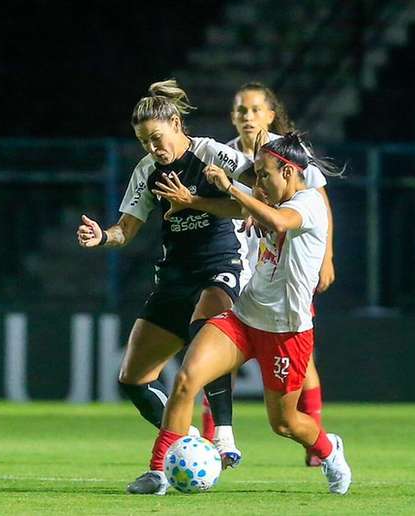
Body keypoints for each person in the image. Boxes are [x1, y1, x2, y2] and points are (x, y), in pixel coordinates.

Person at [126, 132, 352, 496]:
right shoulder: (270, 197)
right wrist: (197, 201)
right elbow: (239, 210)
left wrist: (231, 187)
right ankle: (158, 472)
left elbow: (279, 222)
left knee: (285, 423)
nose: (259, 181)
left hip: (286, 330)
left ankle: (329, 449)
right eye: (257, 175)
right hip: (245, 318)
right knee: (187, 379)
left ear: (290, 171)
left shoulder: (309, 203)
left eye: (265, 174)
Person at [77, 79, 252, 467]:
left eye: (157, 138)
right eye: (144, 143)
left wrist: (196, 201)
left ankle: (222, 436)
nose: (153, 148)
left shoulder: (213, 155)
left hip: (219, 266)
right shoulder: (147, 171)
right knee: (132, 379)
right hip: (175, 277)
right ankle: (187, 443)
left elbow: (255, 199)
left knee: (205, 327)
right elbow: (125, 231)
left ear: (176, 123)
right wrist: (101, 236)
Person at [199, 82, 336, 468]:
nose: (248, 117)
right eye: (241, 110)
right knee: (204, 359)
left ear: (271, 114)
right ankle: (217, 437)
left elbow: (306, 206)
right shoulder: (230, 156)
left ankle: (319, 443)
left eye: (256, 109)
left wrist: (327, 256)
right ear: (232, 116)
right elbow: (237, 209)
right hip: (245, 274)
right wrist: (195, 201)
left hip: (288, 292)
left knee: (288, 404)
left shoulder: (286, 157)